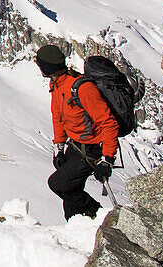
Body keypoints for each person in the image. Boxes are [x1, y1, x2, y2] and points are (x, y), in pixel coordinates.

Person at [36, 44, 118, 220]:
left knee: (58, 184)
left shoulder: (82, 88)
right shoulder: (57, 83)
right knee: (70, 192)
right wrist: (59, 146)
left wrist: (107, 159)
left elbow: (108, 122)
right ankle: (76, 225)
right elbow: (58, 115)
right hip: (75, 146)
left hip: (92, 149)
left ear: (47, 67)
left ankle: (98, 215)